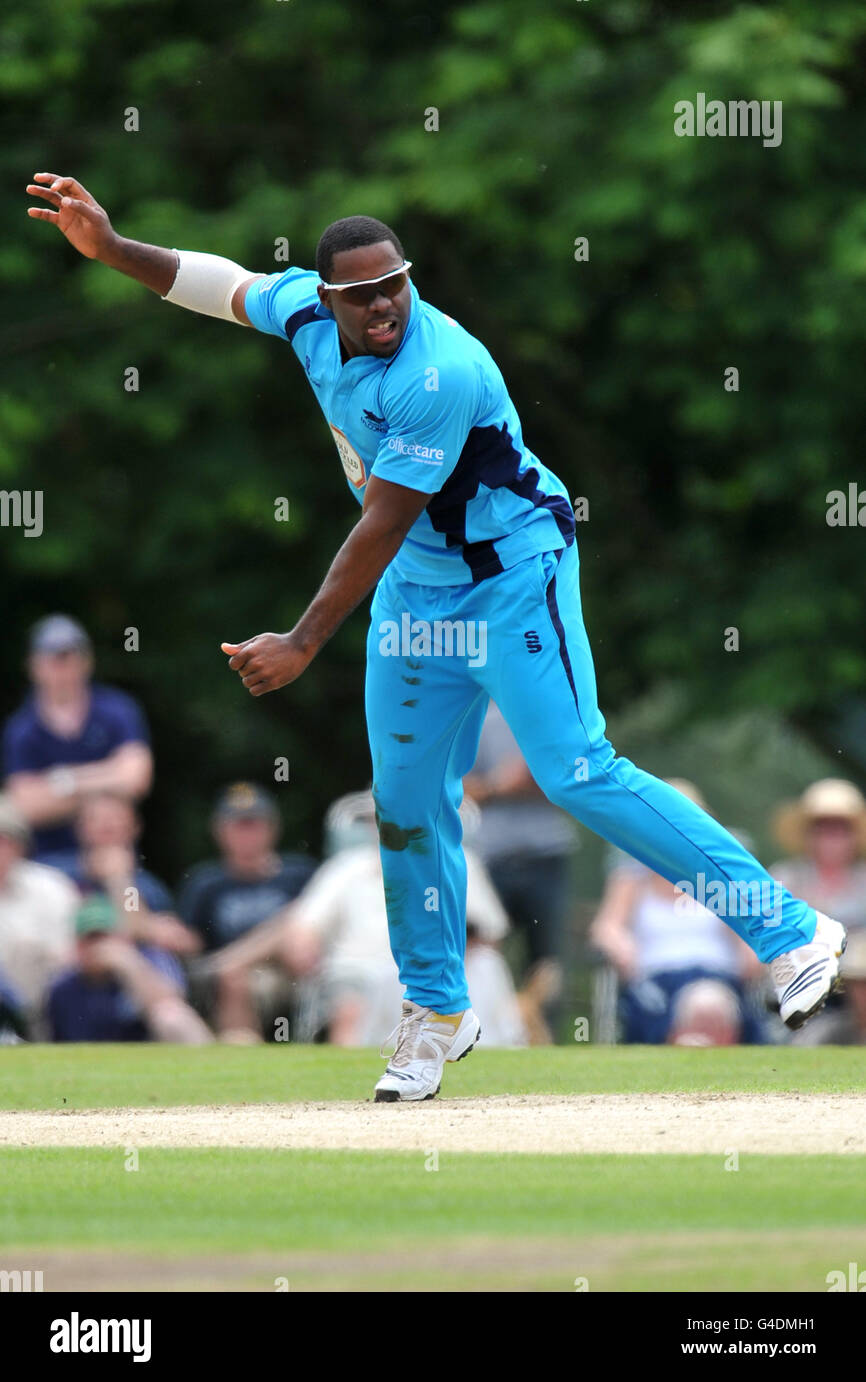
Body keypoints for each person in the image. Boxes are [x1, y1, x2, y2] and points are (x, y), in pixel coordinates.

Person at [27, 172, 846, 1100]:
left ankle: (789, 931)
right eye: (362, 292)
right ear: (327, 295)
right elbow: (217, 282)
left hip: (511, 577)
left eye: (396, 284)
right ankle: (436, 1011)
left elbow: (381, 521)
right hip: (417, 595)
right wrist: (113, 246)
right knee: (407, 801)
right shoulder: (305, 312)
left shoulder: (437, 370)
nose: (383, 304)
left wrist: (301, 641)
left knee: (578, 768)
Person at [209, 790, 527, 1047]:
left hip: (437, 972)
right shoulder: (346, 868)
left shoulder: (460, 864)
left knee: (483, 970)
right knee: (350, 1011)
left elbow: (488, 933)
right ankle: (351, 1101)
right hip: (357, 973)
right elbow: (304, 925)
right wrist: (303, 946)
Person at [589, 781, 766, 1046]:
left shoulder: (722, 879)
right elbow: (605, 928)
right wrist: (620, 945)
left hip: (718, 979)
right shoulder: (634, 875)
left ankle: (694, 1052)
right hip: (654, 982)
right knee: (674, 1005)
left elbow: (751, 941)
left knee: (708, 1002)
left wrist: (749, 950)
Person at [464, 699, 577, 1039]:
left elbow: (576, 782)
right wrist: (502, 785)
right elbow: (458, 786)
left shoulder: (550, 714)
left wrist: (538, 779)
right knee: (482, 948)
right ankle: (482, 1033)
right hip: (490, 856)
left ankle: (544, 1040)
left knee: (546, 961)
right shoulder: (470, 716)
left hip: (547, 852)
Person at [2, 614, 153, 867]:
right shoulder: (20, 729)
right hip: (46, 866)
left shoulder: (119, 710)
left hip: (116, 859)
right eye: (53, 660)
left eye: (70, 658)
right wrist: (107, 781)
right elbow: (25, 806)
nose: (63, 669)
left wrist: (62, 781)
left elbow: (136, 779)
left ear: (87, 662)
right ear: (33, 666)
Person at [178, 782, 315, 1037]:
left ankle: (233, 960)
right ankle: (240, 1046)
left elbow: (314, 926)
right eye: (238, 826)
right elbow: (190, 940)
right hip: (238, 979)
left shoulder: (299, 874)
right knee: (234, 977)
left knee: (293, 924)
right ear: (220, 831)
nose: (247, 835)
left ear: (272, 828)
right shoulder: (205, 882)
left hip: (293, 968)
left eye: (254, 825)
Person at [770, 778, 866, 1044]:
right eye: (822, 829)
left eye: (840, 829)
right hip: (804, 982)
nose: (831, 838)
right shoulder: (785, 878)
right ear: (809, 834)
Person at [46, 894, 212, 1043]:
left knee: (171, 1015)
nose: (98, 947)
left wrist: (129, 966)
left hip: (152, 1051)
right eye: (91, 939)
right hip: (90, 1060)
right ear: (78, 945)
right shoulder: (64, 985)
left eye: (104, 937)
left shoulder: (149, 958)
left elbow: (173, 1004)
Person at [56, 791, 199, 957]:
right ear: (79, 828)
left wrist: (121, 881)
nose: (107, 825)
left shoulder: (148, 887)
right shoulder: (56, 874)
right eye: (96, 818)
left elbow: (141, 932)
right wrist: (149, 926)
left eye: (116, 817)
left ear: (135, 827)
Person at [0, 792, 78, 1037]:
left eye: (4, 841)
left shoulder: (51, 887)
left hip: (43, 1002)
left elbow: (71, 955)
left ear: (20, 847)